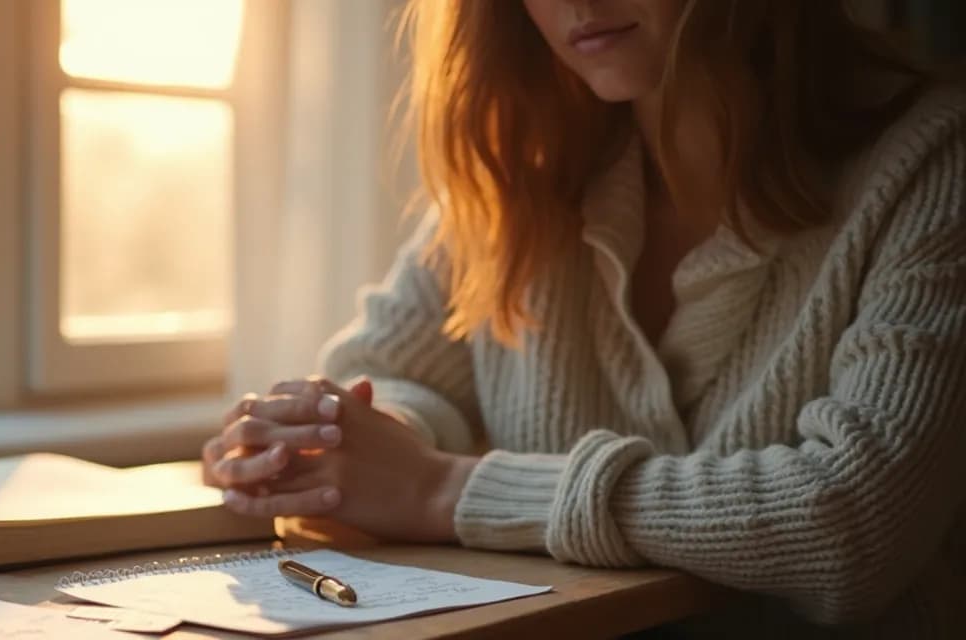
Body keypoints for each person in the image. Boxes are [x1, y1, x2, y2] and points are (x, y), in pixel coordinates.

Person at [201, 0, 965, 635]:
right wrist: (352, 440)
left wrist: (443, 490)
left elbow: (856, 523)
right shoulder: (523, 170)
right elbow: (391, 370)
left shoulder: (934, 161)